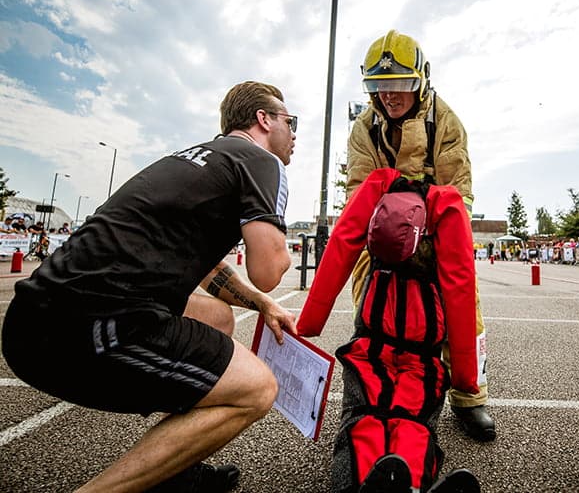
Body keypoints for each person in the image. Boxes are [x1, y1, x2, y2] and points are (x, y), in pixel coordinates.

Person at [2, 81, 299, 493]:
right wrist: (282, 250)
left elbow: (210, 271)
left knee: (216, 317)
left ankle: (175, 467)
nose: (294, 133)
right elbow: (269, 268)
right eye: (290, 121)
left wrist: (263, 304)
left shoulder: (198, 157)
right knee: (257, 389)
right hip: (87, 323)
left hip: (32, 319)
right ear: (264, 120)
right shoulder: (262, 162)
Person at [346, 30, 495, 442]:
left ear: (421, 81)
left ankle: (470, 396)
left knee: (465, 308)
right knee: (367, 299)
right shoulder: (364, 128)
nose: (390, 95)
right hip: (379, 234)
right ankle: (375, 388)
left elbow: (459, 192)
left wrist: (424, 229)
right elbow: (357, 190)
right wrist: (386, 230)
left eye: (400, 85)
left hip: (438, 231)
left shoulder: (446, 122)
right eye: (379, 87)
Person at [297, 169, 481, 493]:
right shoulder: (446, 203)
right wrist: (466, 378)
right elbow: (460, 287)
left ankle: (358, 483)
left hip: (371, 337)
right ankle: (411, 482)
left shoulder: (378, 184)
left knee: (364, 414)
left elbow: (342, 243)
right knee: (414, 418)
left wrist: (309, 321)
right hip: (423, 347)